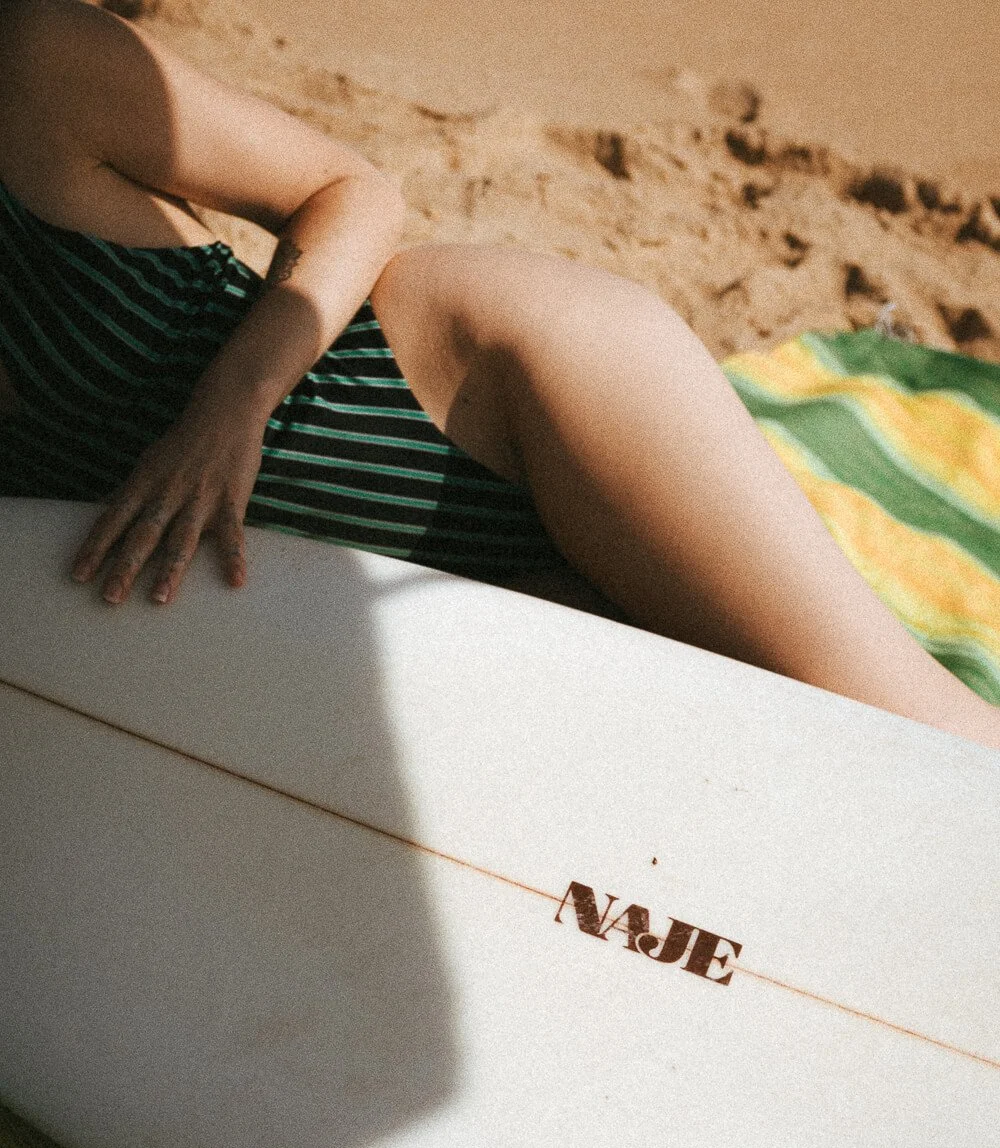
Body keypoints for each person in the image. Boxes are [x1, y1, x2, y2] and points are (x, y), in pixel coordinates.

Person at [2, 0, 999, 753]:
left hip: (476, 407)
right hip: (363, 603)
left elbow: (351, 191)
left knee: (911, 740)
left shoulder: (34, 61)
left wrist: (228, 406)